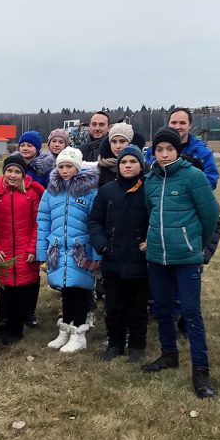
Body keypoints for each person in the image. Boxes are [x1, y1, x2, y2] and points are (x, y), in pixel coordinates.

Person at [142, 128, 220, 399]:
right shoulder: (150, 179)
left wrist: (195, 245)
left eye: (169, 149)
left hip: (186, 258)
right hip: (156, 257)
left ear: (178, 151)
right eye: (159, 150)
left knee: (191, 312)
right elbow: (150, 212)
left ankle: (201, 371)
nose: (164, 155)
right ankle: (168, 354)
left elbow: (210, 216)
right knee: (163, 309)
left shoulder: (193, 177)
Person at [88, 145, 150, 362]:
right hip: (112, 259)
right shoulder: (107, 191)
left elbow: (157, 218)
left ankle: (136, 346)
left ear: (140, 165)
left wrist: (149, 241)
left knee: (137, 308)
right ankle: (115, 343)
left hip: (139, 260)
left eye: (132, 162)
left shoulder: (148, 189)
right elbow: (94, 220)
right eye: (124, 162)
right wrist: (102, 245)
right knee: (114, 306)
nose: (127, 165)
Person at [37, 147, 101, 353]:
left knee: (80, 288)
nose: (65, 170)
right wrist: (42, 250)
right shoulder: (51, 192)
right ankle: (65, 328)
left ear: (78, 167)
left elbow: (96, 222)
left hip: (80, 249)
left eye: (69, 166)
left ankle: (78, 332)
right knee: (66, 288)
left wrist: (96, 253)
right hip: (58, 249)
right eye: (61, 166)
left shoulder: (90, 192)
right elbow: (43, 220)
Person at [0, 155, 45, 345]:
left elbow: (37, 223)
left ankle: (17, 329)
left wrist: (32, 247)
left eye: (17, 172)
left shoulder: (31, 194)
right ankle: (4, 328)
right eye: (9, 170)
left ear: (23, 174)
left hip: (25, 253)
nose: (13, 175)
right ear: (4, 172)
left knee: (22, 294)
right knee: (5, 294)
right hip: (4, 253)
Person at [96, 122, 134, 187]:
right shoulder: (98, 169)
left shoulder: (140, 167)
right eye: (114, 141)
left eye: (122, 141)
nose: (117, 146)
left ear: (130, 143)